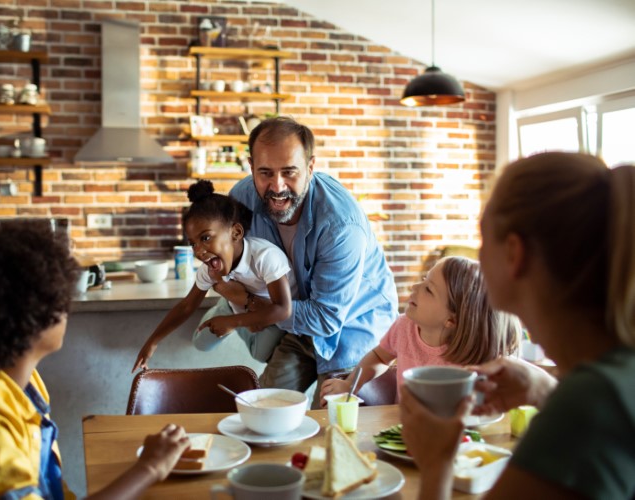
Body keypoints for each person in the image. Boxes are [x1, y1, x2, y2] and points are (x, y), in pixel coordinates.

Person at [400, 152, 635, 499]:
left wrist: (436, 464)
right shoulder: (612, 380)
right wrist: (546, 392)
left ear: (514, 253)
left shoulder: (586, 407)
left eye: (482, 240)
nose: (477, 257)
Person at [0, 221, 190, 499]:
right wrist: (150, 467)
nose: (65, 306)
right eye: (54, 296)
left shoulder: (24, 385)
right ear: (19, 318)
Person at [209, 116, 399, 404]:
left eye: (289, 172)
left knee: (331, 424)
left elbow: (325, 319)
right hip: (300, 325)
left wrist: (251, 306)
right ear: (251, 167)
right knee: (262, 406)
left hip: (353, 326)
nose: (277, 186)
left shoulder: (340, 225)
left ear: (310, 168)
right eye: (265, 173)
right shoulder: (241, 200)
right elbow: (229, 258)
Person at [133, 179, 294, 371]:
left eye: (206, 238)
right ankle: (228, 303)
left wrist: (234, 322)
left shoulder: (265, 257)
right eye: (193, 243)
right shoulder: (210, 269)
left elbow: (283, 309)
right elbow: (187, 306)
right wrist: (152, 342)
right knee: (201, 342)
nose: (199, 251)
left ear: (236, 232)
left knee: (260, 353)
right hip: (239, 307)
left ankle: (235, 303)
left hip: (269, 308)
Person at [319, 256, 521, 406]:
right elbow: (380, 357)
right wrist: (350, 384)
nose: (415, 287)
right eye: (424, 279)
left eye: (429, 289)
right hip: (402, 427)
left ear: (452, 319)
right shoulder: (404, 326)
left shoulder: (476, 358)